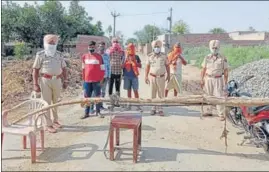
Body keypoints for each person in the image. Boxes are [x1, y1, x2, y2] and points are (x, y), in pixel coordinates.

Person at [32, 34, 68, 133]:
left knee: (56, 102)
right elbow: (35, 70)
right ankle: (48, 124)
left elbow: (64, 69)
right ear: (45, 44)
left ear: (56, 44)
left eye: (54, 43)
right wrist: (35, 84)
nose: (52, 45)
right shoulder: (40, 55)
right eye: (50, 43)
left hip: (57, 80)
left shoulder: (59, 55)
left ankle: (55, 120)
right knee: (46, 103)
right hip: (45, 81)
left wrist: (65, 80)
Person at [200, 40, 228, 121]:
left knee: (219, 96)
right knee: (208, 95)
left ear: (219, 48)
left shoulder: (223, 58)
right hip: (208, 79)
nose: (214, 49)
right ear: (210, 48)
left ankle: (221, 114)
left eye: (216, 48)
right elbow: (203, 69)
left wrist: (225, 83)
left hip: (218, 79)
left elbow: (226, 71)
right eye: (213, 47)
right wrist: (201, 79)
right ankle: (209, 111)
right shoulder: (207, 57)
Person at [145, 40, 170, 116]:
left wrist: (168, 75)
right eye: (155, 47)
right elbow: (147, 67)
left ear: (160, 47)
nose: (157, 48)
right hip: (152, 77)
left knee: (161, 93)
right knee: (152, 93)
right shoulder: (150, 56)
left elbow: (167, 66)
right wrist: (146, 76)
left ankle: (160, 109)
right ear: (153, 48)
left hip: (161, 77)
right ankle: (153, 108)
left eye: (158, 47)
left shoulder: (164, 56)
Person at [81, 41, 105, 119]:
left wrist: (101, 79)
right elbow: (83, 69)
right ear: (88, 47)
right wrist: (83, 80)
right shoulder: (84, 56)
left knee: (97, 97)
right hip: (87, 81)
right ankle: (86, 113)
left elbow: (102, 69)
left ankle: (98, 112)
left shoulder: (99, 57)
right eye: (90, 46)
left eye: (92, 46)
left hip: (97, 81)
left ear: (95, 47)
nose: (91, 48)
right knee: (87, 97)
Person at [122, 43, 142, 111]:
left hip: (134, 77)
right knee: (128, 90)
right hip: (127, 77)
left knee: (135, 90)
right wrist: (125, 61)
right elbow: (122, 67)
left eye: (132, 48)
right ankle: (129, 104)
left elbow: (140, 65)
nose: (130, 50)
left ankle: (138, 105)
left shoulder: (136, 56)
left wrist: (134, 62)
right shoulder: (125, 57)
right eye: (129, 48)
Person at [99, 41, 110, 109]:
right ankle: (95, 106)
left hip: (105, 76)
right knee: (97, 91)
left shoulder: (107, 55)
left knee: (103, 92)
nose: (101, 47)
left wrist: (108, 76)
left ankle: (101, 105)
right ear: (98, 47)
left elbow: (109, 66)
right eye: (100, 46)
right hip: (98, 77)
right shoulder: (96, 55)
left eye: (103, 46)